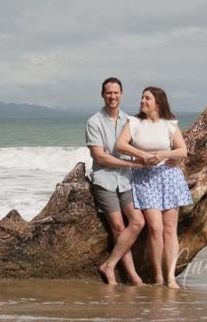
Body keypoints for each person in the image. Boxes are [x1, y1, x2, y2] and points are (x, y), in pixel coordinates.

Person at [115, 86, 193, 288]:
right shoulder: (134, 122)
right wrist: (141, 154)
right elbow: (121, 145)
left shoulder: (169, 124)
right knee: (155, 228)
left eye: (147, 98)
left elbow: (182, 150)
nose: (142, 101)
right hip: (144, 178)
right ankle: (158, 276)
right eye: (142, 97)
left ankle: (171, 276)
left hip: (169, 178)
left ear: (157, 102)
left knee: (170, 229)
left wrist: (164, 155)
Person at [86, 77, 146, 285]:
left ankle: (109, 264)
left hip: (126, 181)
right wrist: (130, 164)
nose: (112, 96)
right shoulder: (94, 122)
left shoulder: (128, 121)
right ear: (102, 95)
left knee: (138, 222)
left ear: (121, 94)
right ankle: (133, 277)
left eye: (116, 92)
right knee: (119, 227)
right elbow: (100, 157)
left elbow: (139, 147)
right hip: (104, 180)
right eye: (108, 93)